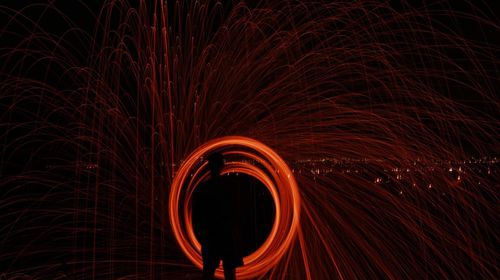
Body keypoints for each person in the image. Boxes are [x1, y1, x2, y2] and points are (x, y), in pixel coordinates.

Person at [193, 152, 243, 280]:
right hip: (226, 235)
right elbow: (236, 211)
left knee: (209, 271)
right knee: (229, 272)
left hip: (211, 236)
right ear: (222, 166)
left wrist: (201, 232)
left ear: (210, 167)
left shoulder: (204, 188)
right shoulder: (230, 186)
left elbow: (198, 214)